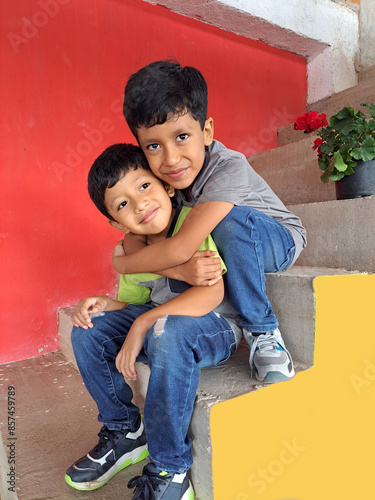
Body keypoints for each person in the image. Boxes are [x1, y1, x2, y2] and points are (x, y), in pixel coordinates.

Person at [112, 59, 307, 384]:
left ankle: (262, 330)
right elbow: (136, 235)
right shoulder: (164, 178)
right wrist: (167, 269)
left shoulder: (227, 167)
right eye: (154, 146)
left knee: (226, 221)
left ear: (207, 131)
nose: (171, 159)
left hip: (276, 240)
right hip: (224, 245)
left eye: (182, 137)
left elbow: (182, 247)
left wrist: (124, 265)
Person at [65, 143, 242, 500]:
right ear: (116, 222)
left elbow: (211, 295)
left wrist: (144, 322)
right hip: (159, 326)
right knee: (89, 329)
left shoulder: (190, 225)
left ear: (167, 186)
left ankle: (169, 467)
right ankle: (125, 432)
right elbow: (135, 303)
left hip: (212, 326)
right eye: (123, 204)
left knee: (165, 331)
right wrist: (105, 304)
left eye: (144, 186)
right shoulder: (133, 246)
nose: (140, 204)